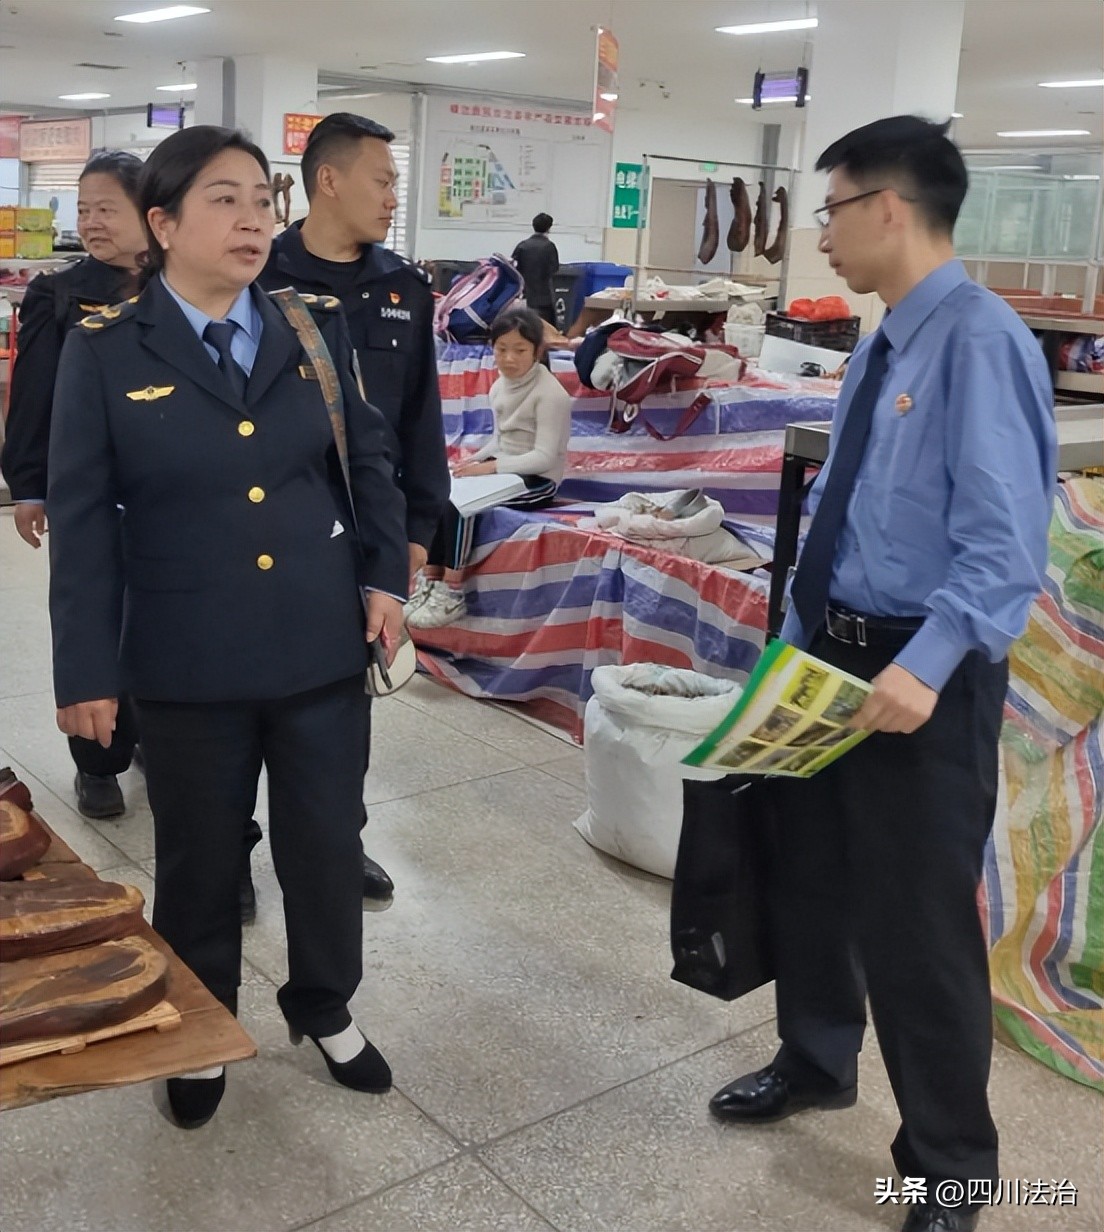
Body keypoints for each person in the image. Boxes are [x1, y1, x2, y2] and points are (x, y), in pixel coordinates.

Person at [707, 116, 1056, 1232]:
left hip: (922, 678)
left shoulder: (981, 341)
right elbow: (845, 509)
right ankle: (815, 1058)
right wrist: (794, 642)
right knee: (811, 880)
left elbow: (1005, 544)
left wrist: (929, 661)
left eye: (832, 211)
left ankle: (948, 1169)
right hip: (832, 658)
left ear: (888, 209)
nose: (826, 237)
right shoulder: (885, 338)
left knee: (915, 928)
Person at [46, 126, 410, 1130]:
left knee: (328, 844)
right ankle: (201, 1023)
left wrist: (385, 577)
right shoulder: (109, 349)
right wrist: (84, 668)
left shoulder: (309, 324)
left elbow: (364, 459)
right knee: (201, 859)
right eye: (223, 200)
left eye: (262, 198)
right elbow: (80, 521)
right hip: (184, 655)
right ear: (162, 224)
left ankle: (324, 1003)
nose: (253, 220)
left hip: (316, 644)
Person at [259, 111, 450, 906]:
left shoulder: (402, 286)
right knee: (248, 689)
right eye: (383, 179)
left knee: (346, 698)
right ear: (328, 180)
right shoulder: (258, 274)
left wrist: (417, 529)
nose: (392, 195)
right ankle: (231, 845)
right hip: (273, 523)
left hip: (368, 530)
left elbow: (420, 418)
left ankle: (339, 843)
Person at [1, 151, 147, 821]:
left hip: (166, 491)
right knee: (96, 621)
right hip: (86, 491)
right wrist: (27, 483)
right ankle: (99, 762)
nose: (90, 222)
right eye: (83, 209)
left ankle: (144, 731)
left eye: (105, 208)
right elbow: (31, 396)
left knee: (161, 621)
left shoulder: (180, 287)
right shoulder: (57, 293)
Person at [407, 306, 571, 629]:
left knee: (462, 506)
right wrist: (475, 460)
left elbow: (545, 457)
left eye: (520, 350)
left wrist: (492, 469)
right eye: (502, 349)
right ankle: (430, 580)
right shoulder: (499, 386)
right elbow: (501, 440)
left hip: (537, 480)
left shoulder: (551, 394)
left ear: (537, 351)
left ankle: (453, 592)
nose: (509, 358)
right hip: (507, 471)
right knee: (440, 490)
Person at [511, 212, 559, 326]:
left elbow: (513, 268)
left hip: (525, 296)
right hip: (544, 297)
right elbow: (554, 269)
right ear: (549, 228)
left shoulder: (522, 246)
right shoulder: (549, 246)